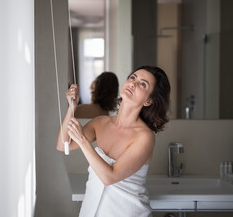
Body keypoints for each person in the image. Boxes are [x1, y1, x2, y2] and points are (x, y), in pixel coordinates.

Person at [57, 66, 171, 217]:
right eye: (133, 78)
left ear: (148, 100)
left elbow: (109, 177)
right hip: (91, 212)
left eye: (143, 84)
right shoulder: (101, 123)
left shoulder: (144, 136)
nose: (133, 83)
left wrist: (83, 141)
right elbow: (63, 145)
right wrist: (72, 107)